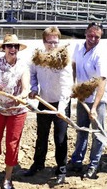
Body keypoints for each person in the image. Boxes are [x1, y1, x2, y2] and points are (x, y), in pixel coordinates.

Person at [24, 26, 73, 184]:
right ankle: (38, 164)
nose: (52, 45)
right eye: (49, 42)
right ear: (44, 42)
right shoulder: (38, 57)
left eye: (55, 42)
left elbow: (67, 86)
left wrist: (61, 109)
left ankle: (61, 169)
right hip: (44, 102)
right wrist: (33, 88)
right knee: (41, 135)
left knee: (60, 138)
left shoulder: (63, 59)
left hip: (61, 103)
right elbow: (32, 73)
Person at [0, 34, 30, 189]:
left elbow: (26, 87)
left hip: (17, 111)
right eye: (9, 46)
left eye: (16, 46)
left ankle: (7, 177)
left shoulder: (23, 66)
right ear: (4, 48)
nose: (13, 49)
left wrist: (21, 96)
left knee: (12, 143)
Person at [68, 22, 107, 179]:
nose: (92, 39)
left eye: (97, 37)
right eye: (90, 35)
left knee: (97, 132)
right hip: (82, 97)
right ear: (85, 33)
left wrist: (95, 107)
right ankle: (77, 162)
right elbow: (73, 65)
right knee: (82, 130)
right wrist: (74, 86)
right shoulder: (79, 48)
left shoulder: (101, 54)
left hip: (98, 99)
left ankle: (94, 164)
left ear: (101, 37)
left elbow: (102, 81)